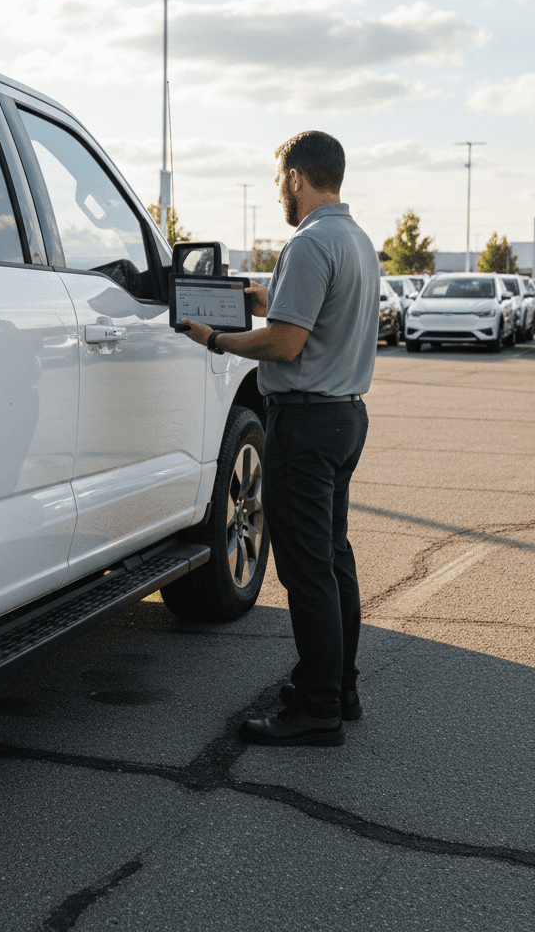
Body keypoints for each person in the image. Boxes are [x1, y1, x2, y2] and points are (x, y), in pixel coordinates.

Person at [178, 130, 379, 747]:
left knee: (304, 570)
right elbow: (307, 317)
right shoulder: (356, 240)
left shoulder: (311, 242)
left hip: (306, 424)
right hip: (344, 418)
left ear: (297, 177)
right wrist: (263, 300)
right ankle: (337, 688)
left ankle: (316, 709)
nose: (279, 194)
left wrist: (213, 340)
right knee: (333, 558)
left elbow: (286, 343)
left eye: (279, 182)